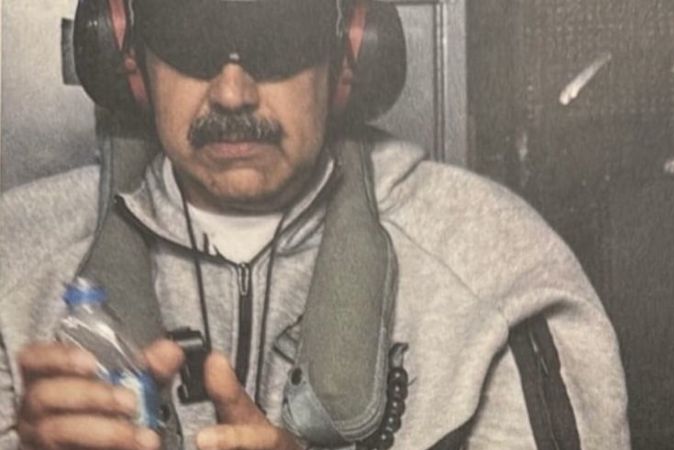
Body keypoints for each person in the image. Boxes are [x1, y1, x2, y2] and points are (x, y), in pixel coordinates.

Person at [0, 0, 630, 449]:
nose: (232, 93)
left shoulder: (498, 266)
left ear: (350, 54)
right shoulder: (14, 259)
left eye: (277, 37)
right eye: (191, 35)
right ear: (128, 59)